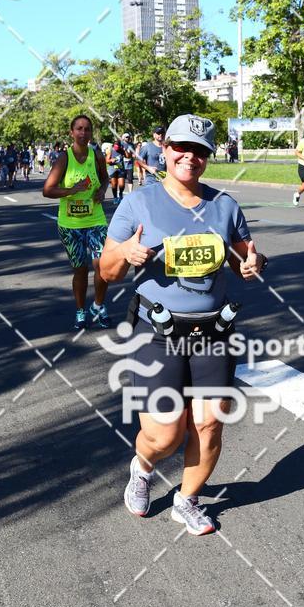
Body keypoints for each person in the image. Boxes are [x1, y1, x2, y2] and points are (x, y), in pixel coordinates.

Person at [99, 114, 268, 536]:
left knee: (209, 424)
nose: (189, 157)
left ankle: (187, 499)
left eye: (199, 151)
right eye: (181, 148)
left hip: (213, 332)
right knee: (165, 435)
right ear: (165, 149)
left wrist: (254, 263)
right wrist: (126, 254)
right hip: (158, 333)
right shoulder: (139, 203)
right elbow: (106, 270)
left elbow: (245, 257)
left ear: (208, 157)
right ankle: (143, 467)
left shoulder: (224, 205)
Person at [42, 114, 111, 330]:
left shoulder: (96, 155)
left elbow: (105, 178)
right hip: (70, 225)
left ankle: (98, 306)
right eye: (79, 128)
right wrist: (72, 190)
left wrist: (102, 190)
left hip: (96, 220)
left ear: (91, 133)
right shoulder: (64, 158)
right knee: (81, 270)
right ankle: (81, 311)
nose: (83, 132)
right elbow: (47, 190)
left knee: (103, 265)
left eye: (87, 129)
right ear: (71, 132)